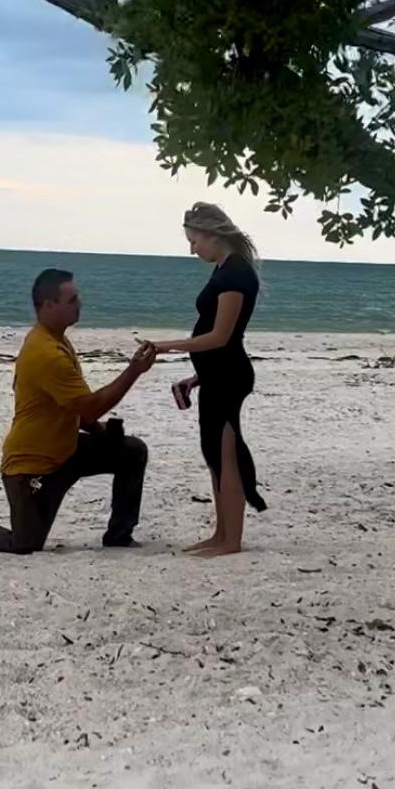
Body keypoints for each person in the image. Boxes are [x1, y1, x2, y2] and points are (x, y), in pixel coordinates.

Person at [0, 268, 156, 555]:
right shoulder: (46, 352)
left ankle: (119, 536)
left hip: (66, 451)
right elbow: (90, 404)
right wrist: (134, 370)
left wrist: (96, 428)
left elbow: (74, 406)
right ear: (48, 305)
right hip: (31, 466)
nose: (80, 304)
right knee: (24, 544)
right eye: (72, 299)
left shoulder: (58, 340)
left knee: (131, 451)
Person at [146, 202, 267, 557]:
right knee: (214, 453)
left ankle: (232, 541)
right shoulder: (224, 269)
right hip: (216, 375)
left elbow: (221, 337)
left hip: (230, 377)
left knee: (227, 456)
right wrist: (196, 377)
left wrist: (164, 346)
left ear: (213, 235)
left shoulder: (235, 275)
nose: (192, 249)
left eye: (194, 240)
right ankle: (221, 533)